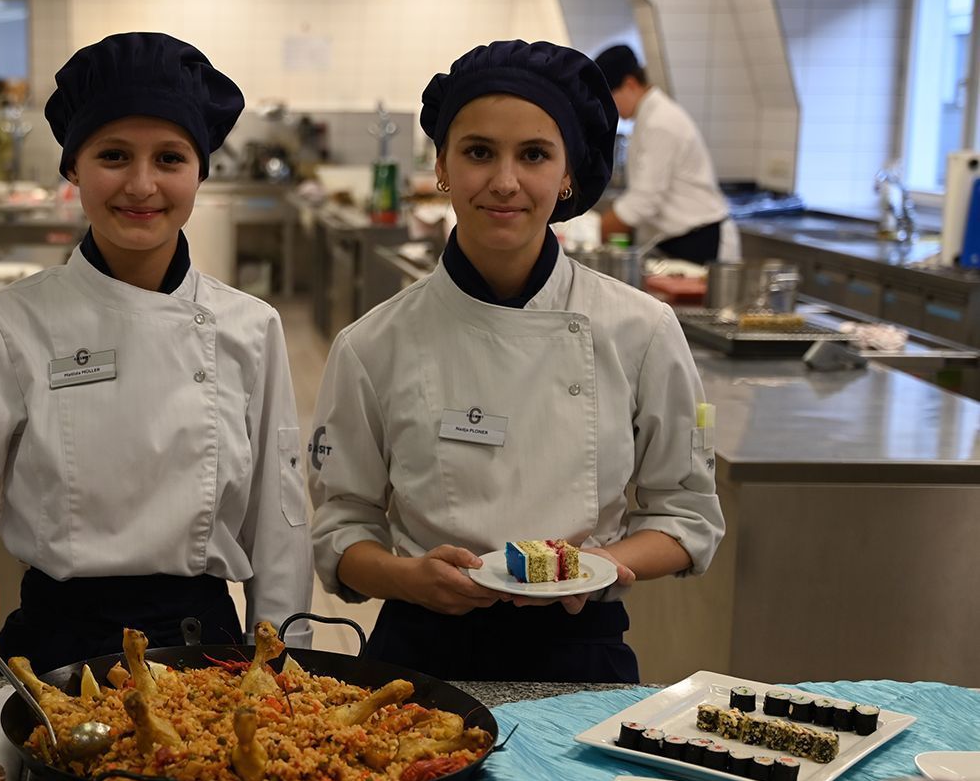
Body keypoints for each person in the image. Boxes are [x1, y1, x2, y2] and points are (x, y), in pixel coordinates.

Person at [0, 32, 312, 670]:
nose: (142, 185)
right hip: (60, 646)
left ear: (201, 172)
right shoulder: (7, 324)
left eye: (170, 158)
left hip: (208, 652)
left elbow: (279, 524)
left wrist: (286, 666)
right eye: (114, 155)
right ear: (71, 169)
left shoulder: (250, 326)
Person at [307, 40, 724, 682]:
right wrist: (409, 578)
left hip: (582, 656)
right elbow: (343, 524)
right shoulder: (372, 343)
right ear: (442, 167)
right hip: (421, 657)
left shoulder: (639, 329)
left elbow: (685, 515)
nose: (504, 181)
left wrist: (607, 564)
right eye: (478, 153)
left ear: (567, 176)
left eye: (533, 155)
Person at [593, 44, 738, 264]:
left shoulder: (660, 121)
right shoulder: (648, 118)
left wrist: (596, 230)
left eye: (610, 99)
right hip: (677, 240)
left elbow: (644, 199)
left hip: (700, 240)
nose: (610, 109)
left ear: (630, 84)